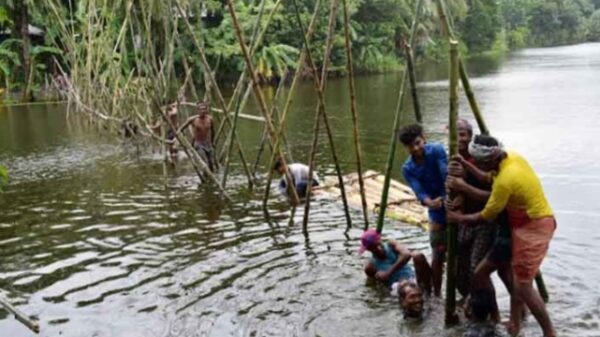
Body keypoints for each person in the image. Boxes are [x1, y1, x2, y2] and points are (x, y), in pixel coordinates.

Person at [447, 135, 556, 337]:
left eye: (477, 162)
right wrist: (466, 165)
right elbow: (488, 178)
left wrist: (457, 217)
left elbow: (484, 216)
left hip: (534, 227)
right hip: (520, 226)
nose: (475, 164)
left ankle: (549, 333)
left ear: (487, 161)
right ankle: (514, 324)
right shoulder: (510, 158)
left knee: (523, 286)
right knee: (504, 277)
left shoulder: (506, 180)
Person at [446, 119, 495, 300]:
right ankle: (469, 303)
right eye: (455, 135)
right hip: (462, 221)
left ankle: (488, 310)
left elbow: (494, 196)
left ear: (469, 137)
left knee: (478, 270)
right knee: (459, 269)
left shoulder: (481, 159)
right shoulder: (451, 158)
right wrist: (451, 199)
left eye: (462, 135)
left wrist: (464, 187)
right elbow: (450, 188)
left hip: (482, 220)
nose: (459, 139)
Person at [399, 123, 447, 296]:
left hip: (453, 203)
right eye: (411, 146)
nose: (416, 148)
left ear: (424, 139)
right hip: (435, 209)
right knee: (437, 252)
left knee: (461, 253)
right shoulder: (407, 168)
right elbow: (419, 191)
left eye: (418, 143)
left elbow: (446, 176)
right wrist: (429, 202)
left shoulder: (437, 150)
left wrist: (446, 197)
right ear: (406, 148)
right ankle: (437, 294)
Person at [360, 229, 432, 318]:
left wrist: (388, 273)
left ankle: (430, 295)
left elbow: (407, 254)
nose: (376, 249)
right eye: (371, 248)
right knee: (406, 289)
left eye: (377, 246)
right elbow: (375, 286)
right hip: (397, 287)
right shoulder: (370, 266)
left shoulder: (391, 245)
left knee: (418, 256)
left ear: (380, 241)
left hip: (412, 278)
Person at [178, 102, 216, 172]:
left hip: (207, 143)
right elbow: (181, 129)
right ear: (198, 110)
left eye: (204, 109)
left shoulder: (210, 119)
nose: (203, 111)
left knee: (211, 163)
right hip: (198, 143)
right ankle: (206, 176)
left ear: (207, 110)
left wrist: (212, 142)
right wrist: (180, 138)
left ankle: (211, 177)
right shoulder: (193, 119)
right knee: (205, 162)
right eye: (201, 109)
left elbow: (213, 131)